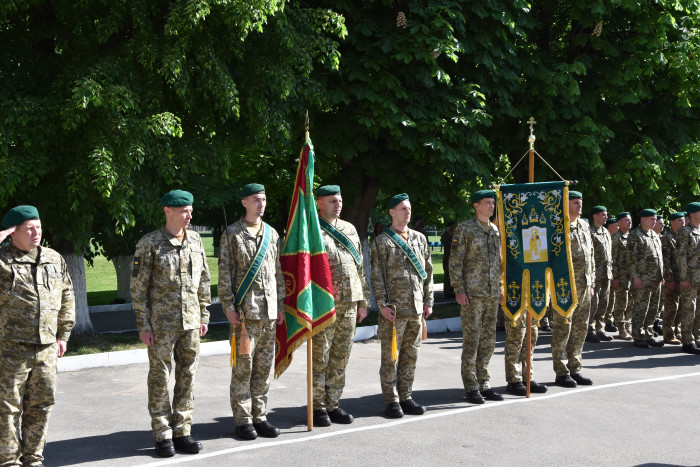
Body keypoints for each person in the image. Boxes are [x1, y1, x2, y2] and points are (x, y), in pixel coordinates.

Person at [131, 190, 211, 456]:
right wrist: (143, 325)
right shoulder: (150, 243)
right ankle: (163, 434)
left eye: (190, 210)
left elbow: (203, 282)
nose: (189, 216)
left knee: (187, 377)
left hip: (190, 323)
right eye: (183, 211)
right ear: (167, 211)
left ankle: (183, 432)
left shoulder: (196, 240)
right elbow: (138, 288)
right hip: (161, 325)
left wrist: (204, 315)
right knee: (159, 378)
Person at [0, 205, 75, 465]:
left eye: (39, 227)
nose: (36, 233)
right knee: (7, 409)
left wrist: (63, 335)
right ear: (12, 232)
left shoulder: (53, 258)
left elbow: (67, 296)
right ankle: (9, 461)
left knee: (41, 405)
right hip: (10, 349)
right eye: (29, 228)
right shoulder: (3, 260)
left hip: (46, 348)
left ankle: (33, 458)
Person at [218, 183, 285, 440]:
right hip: (244, 315)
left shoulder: (272, 233)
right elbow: (225, 275)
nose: (261, 204)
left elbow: (277, 273)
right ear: (244, 202)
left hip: (268, 313)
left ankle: (260, 416)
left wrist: (279, 305)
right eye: (256, 199)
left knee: (263, 369)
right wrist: (228, 307)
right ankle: (243, 421)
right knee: (243, 369)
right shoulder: (232, 234)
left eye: (264, 199)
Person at [312, 185, 370, 426]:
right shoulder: (311, 230)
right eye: (332, 201)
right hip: (325, 304)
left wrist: (364, 300)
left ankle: (333, 403)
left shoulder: (349, 229)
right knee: (320, 357)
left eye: (340, 200)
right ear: (319, 203)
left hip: (350, 302)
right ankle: (317, 406)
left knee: (340, 357)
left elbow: (359, 267)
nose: (338, 205)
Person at [371, 193, 433, 418]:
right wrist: (382, 305)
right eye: (403, 209)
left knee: (411, 355)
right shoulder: (382, 241)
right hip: (393, 312)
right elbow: (377, 277)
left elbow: (428, 272)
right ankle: (392, 400)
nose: (407, 213)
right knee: (391, 357)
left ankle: (406, 396)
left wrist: (428, 301)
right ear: (392, 212)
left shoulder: (420, 238)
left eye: (409, 208)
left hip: (416, 309)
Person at [449, 190, 507, 403]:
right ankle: (471, 386)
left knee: (488, 340)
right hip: (472, 294)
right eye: (487, 203)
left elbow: (497, 262)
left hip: (491, 293)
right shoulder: (466, 228)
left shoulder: (494, 230)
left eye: (493, 203)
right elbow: (456, 261)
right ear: (476, 205)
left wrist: (499, 287)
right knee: (472, 340)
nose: (492, 206)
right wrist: (459, 289)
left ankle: (484, 382)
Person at [552, 191, 595, 387]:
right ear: (566, 204)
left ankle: (575, 367)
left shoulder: (584, 225)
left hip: (585, 285)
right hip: (565, 286)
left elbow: (590, 256)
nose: (579, 206)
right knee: (563, 329)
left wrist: (591, 282)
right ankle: (561, 372)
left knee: (580, 328)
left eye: (581, 202)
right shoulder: (558, 226)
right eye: (575, 202)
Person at [626, 209, 665, 348]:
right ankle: (638, 335)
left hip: (656, 279)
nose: (654, 221)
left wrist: (662, 275)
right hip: (642, 279)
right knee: (641, 308)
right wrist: (636, 277)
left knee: (653, 309)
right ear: (643, 219)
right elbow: (631, 259)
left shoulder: (654, 235)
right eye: (651, 219)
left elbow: (659, 258)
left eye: (655, 219)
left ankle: (649, 334)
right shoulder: (635, 235)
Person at [676, 202, 700, 354]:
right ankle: (687, 341)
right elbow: (681, 256)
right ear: (692, 214)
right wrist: (684, 277)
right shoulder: (685, 231)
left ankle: (697, 338)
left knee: (699, 311)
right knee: (688, 309)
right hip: (690, 278)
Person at [587, 206, 613, 342]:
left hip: (606, 273)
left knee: (604, 302)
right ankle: (589, 330)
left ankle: (600, 329)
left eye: (606, 215)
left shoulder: (606, 232)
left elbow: (609, 255)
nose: (605, 217)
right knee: (593, 303)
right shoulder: (589, 232)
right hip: (596, 274)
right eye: (603, 215)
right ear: (595, 216)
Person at [661, 212, 686, 345]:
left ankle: (677, 331)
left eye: (683, 220)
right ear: (672, 222)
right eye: (679, 220)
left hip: (682, 277)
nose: (682, 223)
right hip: (672, 277)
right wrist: (669, 279)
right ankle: (668, 334)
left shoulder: (682, 237)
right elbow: (666, 261)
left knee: (681, 306)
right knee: (671, 306)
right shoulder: (667, 238)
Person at [610, 212, 633, 340]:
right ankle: (621, 329)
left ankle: (628, 326)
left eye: (630, 220)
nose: (629, 222)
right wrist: (616, 276)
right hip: (622, 276)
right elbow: (612, 258)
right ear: (619, 223)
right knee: (621, 303)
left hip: (632, 276)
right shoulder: (616, 238)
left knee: (630, 303)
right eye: (626, 220)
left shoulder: (632, 236)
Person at [441, 221, 456, 299]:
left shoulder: (454, 234)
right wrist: (447, 232)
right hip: (447, 257)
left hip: (453, 257)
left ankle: (451, 290)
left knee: (452, 275)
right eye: (452, 226)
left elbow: (456, 242)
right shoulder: (446, 234)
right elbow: (442, 240)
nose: (453, 228)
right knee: (447, 275)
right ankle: (447, 292)